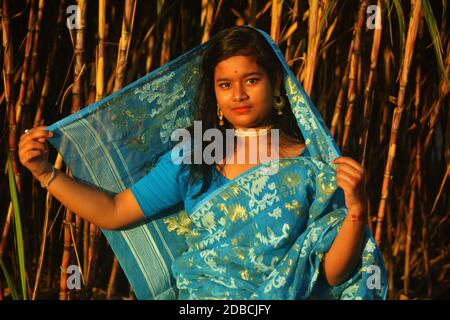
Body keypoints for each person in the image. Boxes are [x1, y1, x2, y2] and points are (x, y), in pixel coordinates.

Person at [18, 26, 387, 299]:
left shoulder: (312, 167)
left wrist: (357, 211)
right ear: (213, 91)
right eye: (225, 85)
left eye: (251, 80)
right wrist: (46, 173)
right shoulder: (196, 156)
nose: (238, 95)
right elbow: (114, 210)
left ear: (276, 82)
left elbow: (333, 275)